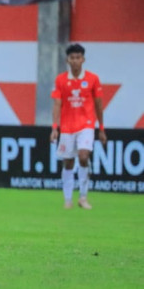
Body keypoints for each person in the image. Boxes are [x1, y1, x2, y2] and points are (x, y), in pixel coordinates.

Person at [50, 44, 106, 210]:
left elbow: (98, 104)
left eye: (78, 58)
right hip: (67, 126)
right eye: (72, 58)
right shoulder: (60, 80)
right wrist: (54, 127)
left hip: (87, 124)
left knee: (83, 156)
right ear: (68, 60)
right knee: (68, 162)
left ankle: (83, 196)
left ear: (83, 59)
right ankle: (68, 199)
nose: (75, 61)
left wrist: (101, 128)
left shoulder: (92, 79)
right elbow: (57, 104)